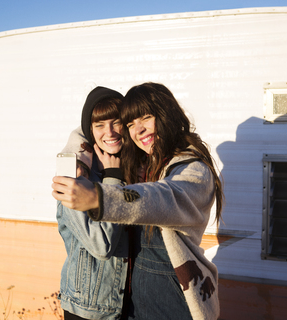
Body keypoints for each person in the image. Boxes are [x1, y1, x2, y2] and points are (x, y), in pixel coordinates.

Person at [52, 82, 224, 320]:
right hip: (111, 307)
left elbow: (162, 197)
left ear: (166, 115)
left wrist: (100, 195)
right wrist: (76, 152)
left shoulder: (191, 170)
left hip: (172, 303)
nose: (138, 130)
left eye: (145, 118)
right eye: (131, 123)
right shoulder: (79, 176)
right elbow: (90, 129)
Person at [56, 86, 129, 320]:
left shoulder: (130, 169)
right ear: (90, 131)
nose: (110, 132)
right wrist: (112, 179)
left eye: (116, 122)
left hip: (128, 306)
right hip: (89, 311)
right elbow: (101, 245)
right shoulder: (75, 177)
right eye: (99, 125)